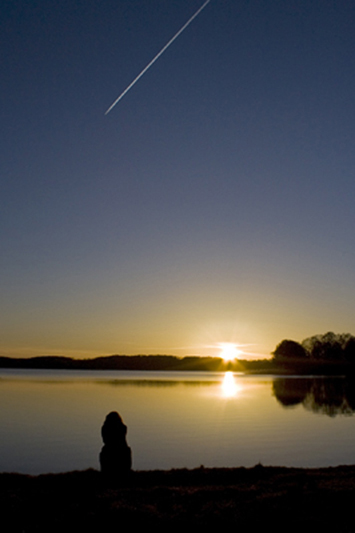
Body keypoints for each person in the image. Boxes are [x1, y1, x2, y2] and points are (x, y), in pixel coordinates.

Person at [99, 411, 132, 479]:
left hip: (110, 451)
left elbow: (105, 440)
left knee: (104, 452)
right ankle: (125, 472)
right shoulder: (123, 428)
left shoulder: (104, 428)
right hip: (122, 451)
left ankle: (107, 473)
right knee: (127, 451)